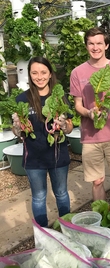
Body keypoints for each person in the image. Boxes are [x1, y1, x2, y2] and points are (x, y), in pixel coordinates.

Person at [69, 27, 110, 202]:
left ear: (106, 45)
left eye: (99, 43)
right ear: (86, 46)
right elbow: (78, 105)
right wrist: (89, 113)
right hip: (90, 137)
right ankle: (102, 218)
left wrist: (108, 108)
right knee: (97, 181)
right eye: (91, 43)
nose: (95, 47)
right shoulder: (77, 72)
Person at [11, 56, 73, 227]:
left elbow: (69, 125)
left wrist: (64, 126)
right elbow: (17, 132)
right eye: (35, 73)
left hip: (58, 155)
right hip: (33, 158)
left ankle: (66, 229)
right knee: (38, 197)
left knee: (61, 193)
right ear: (30, 75)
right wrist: (17, 126)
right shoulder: (21, 99)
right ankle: (43, 234)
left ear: (50, 73)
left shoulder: (59, 96)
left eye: (43, 72)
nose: (40, 77)